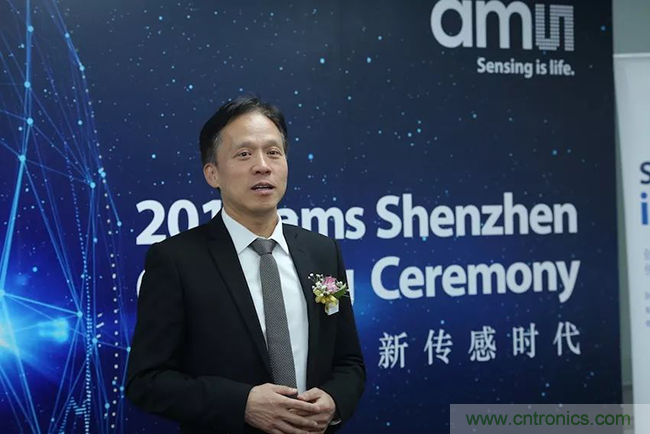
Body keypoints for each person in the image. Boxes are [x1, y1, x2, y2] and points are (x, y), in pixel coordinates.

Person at [126, 96, 365, 434]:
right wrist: (242, 404)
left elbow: (349, 361)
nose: (262, 166)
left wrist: (335, 401)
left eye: (273, 152)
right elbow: (146, 381)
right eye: (244, 154)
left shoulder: (322, 251)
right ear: (212, 173)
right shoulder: (176, 260)